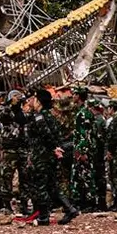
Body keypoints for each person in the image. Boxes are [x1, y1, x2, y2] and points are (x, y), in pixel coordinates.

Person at [23, 87, 76, 225]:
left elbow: (46, 134)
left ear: (39, 101)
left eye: (33, 99)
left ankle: (44, 216)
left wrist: (54, 148)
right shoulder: (47, 115)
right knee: (52, 185)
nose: (31, 101)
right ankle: (69, 208)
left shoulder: (40, 116)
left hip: (42, 155)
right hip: (47, 154)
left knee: (41, 185)